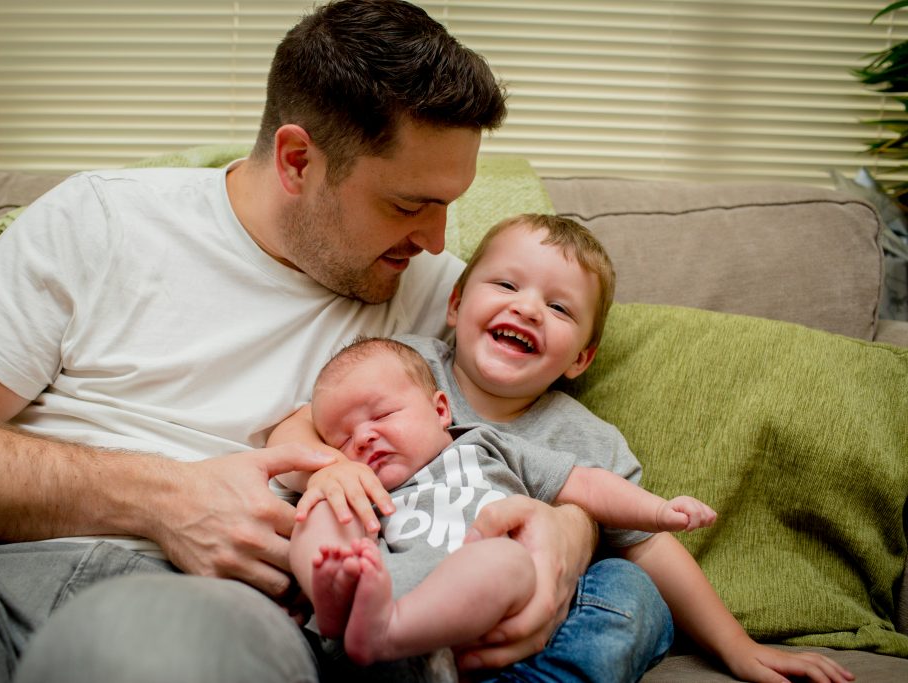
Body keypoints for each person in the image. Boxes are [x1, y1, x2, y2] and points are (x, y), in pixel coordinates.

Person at [0, 2, 617, 682]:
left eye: (448, 208)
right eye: (408, 205)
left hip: (211, 611)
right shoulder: (100, 220)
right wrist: (162, 498)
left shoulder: (449, 298)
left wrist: (569, 533)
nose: (433, 240)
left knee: (125, 655)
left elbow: (548, 449)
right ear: (298, 162)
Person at [272, 213, 856, 683]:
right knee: (325, 512)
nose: (527, 307)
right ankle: (338, 602)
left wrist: (738, 647)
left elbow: (646, 546)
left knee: (632, 590)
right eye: (505, 284)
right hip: (385, 575)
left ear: (581, 356)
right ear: (455, 305)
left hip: (505, 611)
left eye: (558, 307)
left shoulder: (583, 437)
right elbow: (304, 425)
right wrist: (324, 471)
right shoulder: (405, 366)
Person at [288, 336, 713, 669]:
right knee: (325, 504)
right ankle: (333, 593)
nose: (362, 438)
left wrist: (657, 510)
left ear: (440, 409)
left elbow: (585, 485)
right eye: (342, 438)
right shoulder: (364, 484)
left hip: (469, 606)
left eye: (381, 416)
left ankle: (394, 630)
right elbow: (299, 461)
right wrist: (330, 474)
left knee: (507, 559)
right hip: (373, 591)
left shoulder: (486, 445)